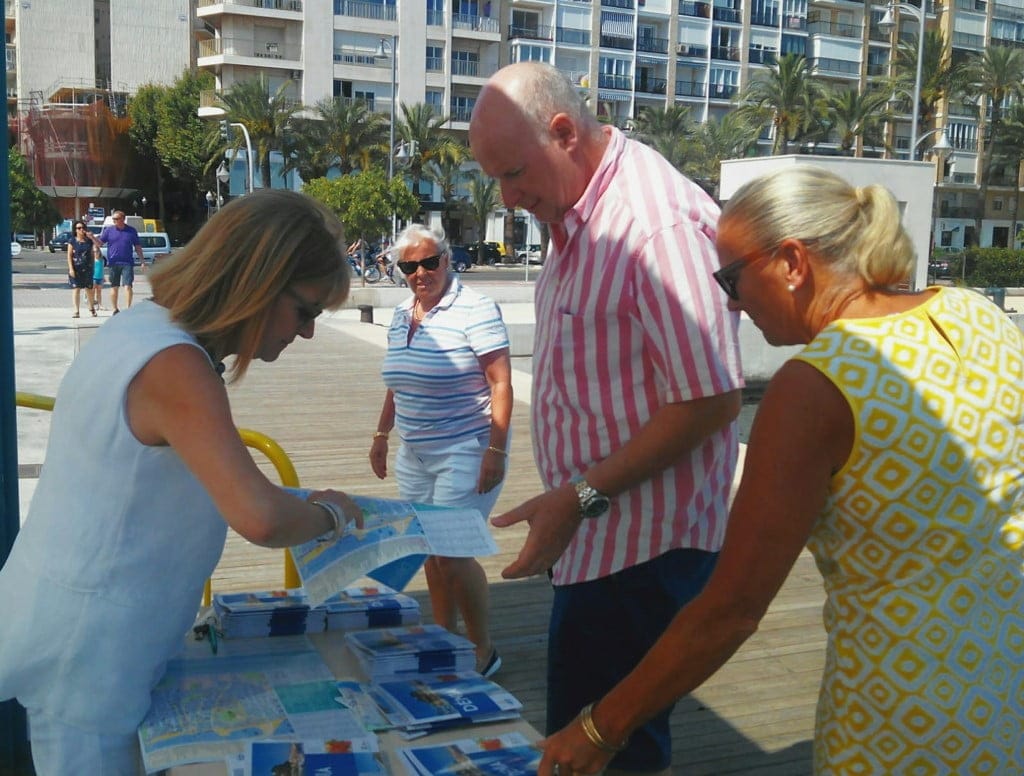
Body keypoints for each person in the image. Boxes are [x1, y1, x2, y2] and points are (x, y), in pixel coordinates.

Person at [536, 165, 1024, 775]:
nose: (729, 302)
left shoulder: (817, 386)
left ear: (793, 263)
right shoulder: (975, 314)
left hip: (903, 718)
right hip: (1004, 690)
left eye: (732, 278)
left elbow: (732, 610)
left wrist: (598, 728)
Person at [0, 189, 364, 775]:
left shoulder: (143, 328)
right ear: (259, 283)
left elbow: (193, 483)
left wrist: (303, 501)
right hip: (91, 661)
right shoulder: (178, 367)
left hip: (90, 642)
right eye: (307, 312)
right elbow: (259, 517)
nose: (308, 333)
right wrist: (335, 519)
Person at [469, 62, 743, 774]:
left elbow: (712, 398)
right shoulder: (576, 204)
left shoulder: (653, 227)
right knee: (587, 737)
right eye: (495, 179)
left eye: (514, 173)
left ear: (563, 133)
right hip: (598, 538)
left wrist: (578, 497)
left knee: (607, 743)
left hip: (643, 548)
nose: (508, 196)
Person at [369, 223, 512, 677]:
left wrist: (497, 450)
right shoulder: (399, 314)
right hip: (414, 451)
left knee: (452, 550)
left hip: (465, 448)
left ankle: (482, 649)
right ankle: (442, 637)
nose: (420, 273)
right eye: (409, 266)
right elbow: (399, 382)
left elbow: (502, 383)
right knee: (429, 550)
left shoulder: (475, 308)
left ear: (447, 260)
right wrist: (381, 436)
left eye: (430, 262)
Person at [99, 210, 145, 314]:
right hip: (113, 262)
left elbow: (137, 246)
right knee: (114, 286)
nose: (114, 221)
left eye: (116, 219)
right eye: (113, 219)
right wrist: (92, 238)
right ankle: (115, 308)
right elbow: (100, 243)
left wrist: (142, 261)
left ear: (123, 219)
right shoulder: (109, 230)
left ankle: (128, 308)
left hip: (127, 262)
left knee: (127, 285)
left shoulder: (131, 231)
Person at [66, 220, 100, 318]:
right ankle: (76, 311)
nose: (81, 230)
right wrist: (71, 269)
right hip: (76, 268)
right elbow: (69, 255)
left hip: (87, 268)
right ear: (75, 230)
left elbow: (97, 247)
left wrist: (92, 237)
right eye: (79, 228)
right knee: (76, 289)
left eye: (83, 228)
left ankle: (91, 308)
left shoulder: (89, 241)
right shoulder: (72, 241)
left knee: (89, 289)